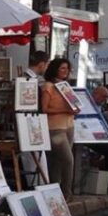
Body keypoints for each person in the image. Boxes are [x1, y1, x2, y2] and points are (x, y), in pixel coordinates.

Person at [41, 58, 77, 199]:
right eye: (62, 68)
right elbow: (44, 108)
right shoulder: (49, 86)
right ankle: (66, 192)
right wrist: (65, 109)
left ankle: (54, 193)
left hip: (69, 126)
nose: (65, 71)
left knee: (57, 161)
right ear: (55, 69)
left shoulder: (65, 85)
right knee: (68, 160)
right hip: (55, 128)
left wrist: (75, 109)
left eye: (67, 68)